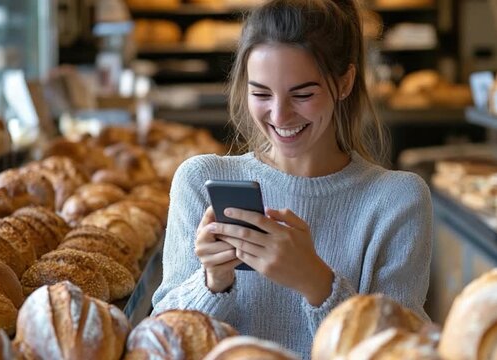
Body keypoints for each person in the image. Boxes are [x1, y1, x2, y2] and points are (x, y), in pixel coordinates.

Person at [151, 0, 432, 357]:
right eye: (261, 93)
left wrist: (316, 282)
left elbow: (403, 350)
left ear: (344, 82)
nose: (280, 116)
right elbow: (160, 341)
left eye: (303, 94)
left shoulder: (397, 198)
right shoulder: (200, 180)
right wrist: (212, 283)